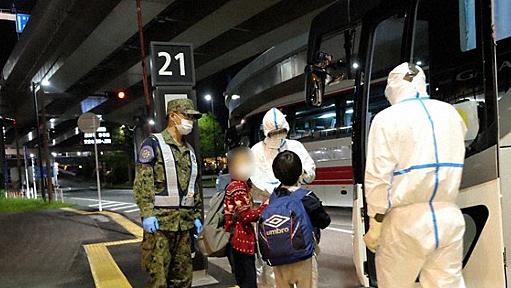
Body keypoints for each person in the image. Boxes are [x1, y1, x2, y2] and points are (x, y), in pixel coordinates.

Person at [363, 63, 467, 288]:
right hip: (448, 217)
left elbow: (378, 177)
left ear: (393, 88)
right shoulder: (450, 113)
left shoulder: (385, 119)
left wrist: (376, 220)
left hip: (404, 223)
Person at [133, 98, 203, 288]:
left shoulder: (189, 150)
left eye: (192, 117)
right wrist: (147, 214)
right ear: (173, 116)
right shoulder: (153, 144)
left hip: (185, 226)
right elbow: (142, 183)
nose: (190, 121)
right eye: (187, 116)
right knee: (158, 280)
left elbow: (192, 187)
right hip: (160, 226)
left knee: (183, 280)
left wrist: (196, 216)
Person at [262, 150, 330, 288]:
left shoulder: (273, 198)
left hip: (279, 259)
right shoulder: (306, 197)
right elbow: (324, 221)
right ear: (300, 173)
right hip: (303, 257)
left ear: (276, 174)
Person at [223, 146, 269, 288]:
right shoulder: (237, 187)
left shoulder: (237, 184)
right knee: (248, 281)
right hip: (241, 241)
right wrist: (265, 205)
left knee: (243, 279)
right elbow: (246, 216)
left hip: (237, 241)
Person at [251, 107, 316, 196]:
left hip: (295, 196)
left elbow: (310, 170)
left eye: (281, 131)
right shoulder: (256, 151)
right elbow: (256, 177)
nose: (278, 136)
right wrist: (276, 191)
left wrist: (303, 173)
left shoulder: (295, 146)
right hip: (270, 198)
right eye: (274, 133)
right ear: (267, 132)